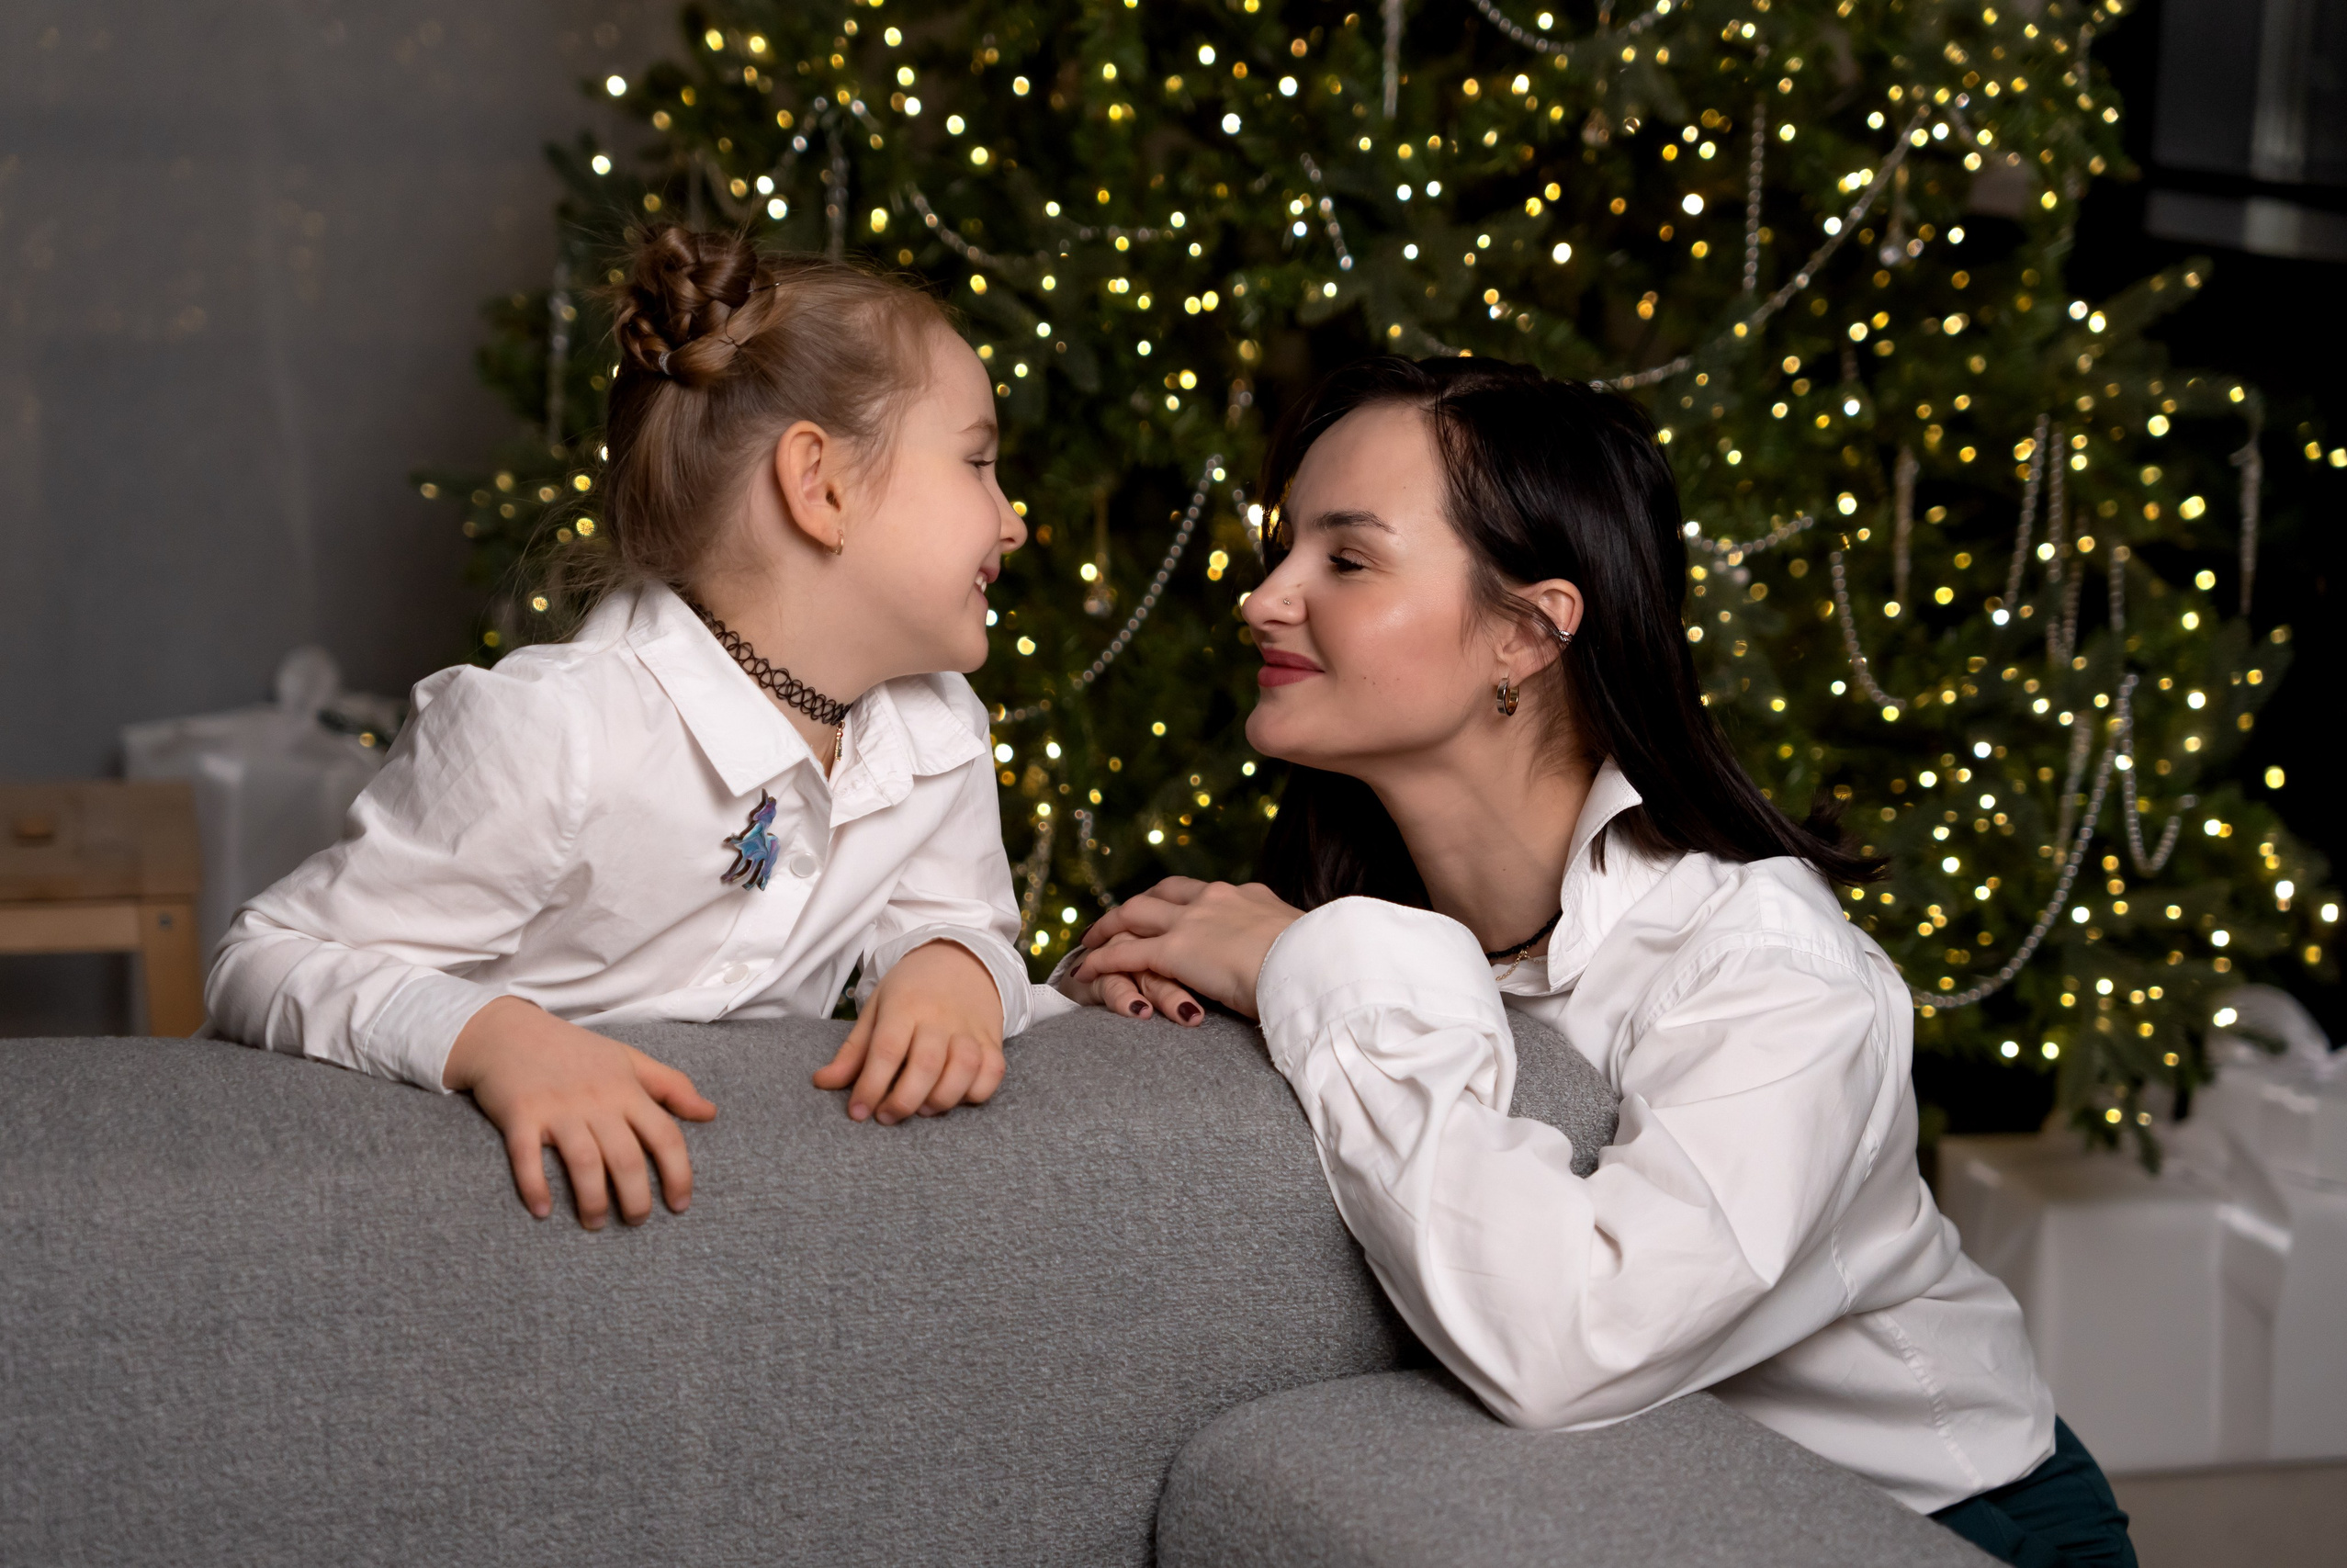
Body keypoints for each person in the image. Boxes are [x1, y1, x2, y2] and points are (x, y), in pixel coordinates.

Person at [1058, 355, 2137, 1567]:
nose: (1265, 596)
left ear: (1526, 631)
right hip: (1615, 1504)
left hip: (1931, 1517)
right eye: (1284, 546)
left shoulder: (1768, 966)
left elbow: (1568, 1337)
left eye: (1345, 560)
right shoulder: (1336, 894)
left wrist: (1323, 967)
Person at [209, 227, 1055, 1231]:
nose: (1012, 521)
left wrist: (954, 969)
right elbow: (259, 959)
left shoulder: (938, 731)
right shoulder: (554, 733)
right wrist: (495, 1038)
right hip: (438, 1221)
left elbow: (957, 916)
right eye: (977, 463)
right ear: (820, 485)